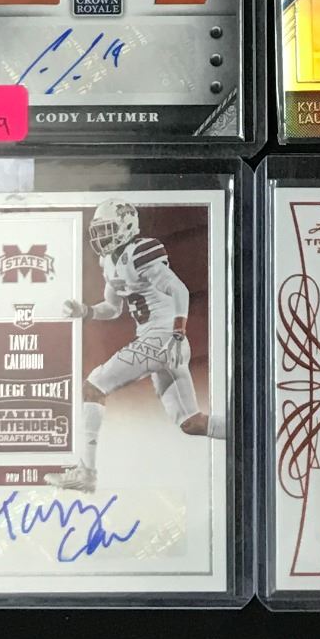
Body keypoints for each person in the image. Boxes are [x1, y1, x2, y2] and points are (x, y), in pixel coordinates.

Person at [46, 199, 224, 494]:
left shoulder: (140, 252)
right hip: (161, 342)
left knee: (94, 386)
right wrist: (86, 311)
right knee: (191, 423)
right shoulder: (110, 262)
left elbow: (179, 290)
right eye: (99, 230)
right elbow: (112, 308)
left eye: (107, 229)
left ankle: (86, 472)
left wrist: (177, 334)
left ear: (126, 225)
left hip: (162, 339)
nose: (101, 236)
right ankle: (249, 432)